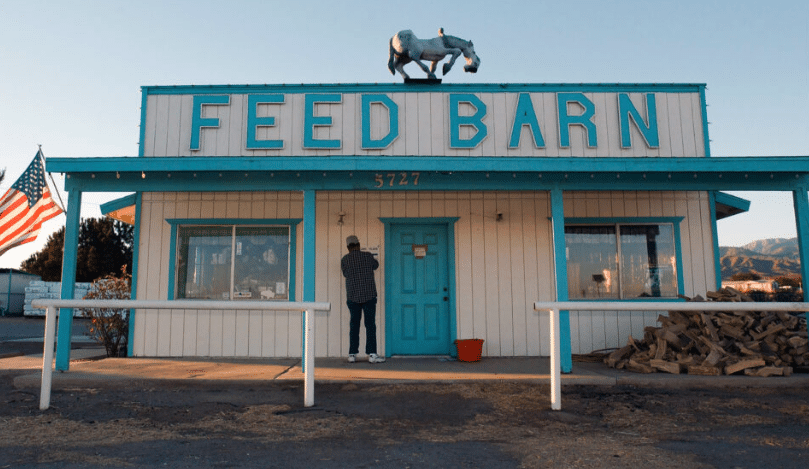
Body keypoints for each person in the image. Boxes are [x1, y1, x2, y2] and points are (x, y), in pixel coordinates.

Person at [341, 235, 385, 363]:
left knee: (354, 325)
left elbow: (345, 273)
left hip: (353, 296)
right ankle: (372, 354)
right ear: (358, 245)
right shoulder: (368, 256)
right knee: (370, 324)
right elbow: (375, 266)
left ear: (348, 247)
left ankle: (352, 354)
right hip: (369, 295)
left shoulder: (345, 259)